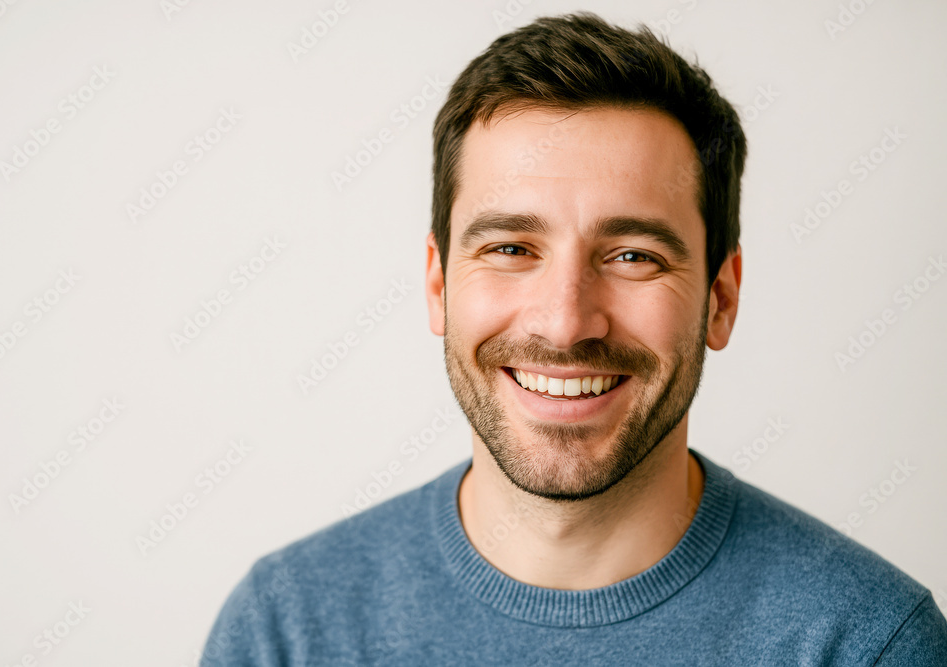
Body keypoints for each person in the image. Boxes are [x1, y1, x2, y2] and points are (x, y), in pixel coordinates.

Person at [200, 13, 947, 665]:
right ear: (438, 284)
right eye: (511, 248)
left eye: (632, 256)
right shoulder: (284, 631)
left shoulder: (866, 641)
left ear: (721, 298)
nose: (564, 322)